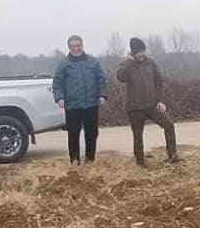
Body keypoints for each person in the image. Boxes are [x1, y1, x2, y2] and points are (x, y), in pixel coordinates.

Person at [115, 37, 180, 166]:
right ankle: (140, 162)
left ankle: (172, 156)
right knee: (138, 135)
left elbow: (159, 81)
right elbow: (121, 77)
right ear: (133, 53)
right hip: (134, 108)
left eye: (143, 51)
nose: (141, 54)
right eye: (138, 52)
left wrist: (160, 100)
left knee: (169, 125)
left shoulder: (151, 63)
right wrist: (129, 62)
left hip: (152, 105)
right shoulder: (126, 64)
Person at [51, 34, 106, 164]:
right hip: (72, 105)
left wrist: (102, 95)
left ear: (82, 45)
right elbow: (57, 83)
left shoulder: (93, 62)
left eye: (78, 45)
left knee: (92, 133)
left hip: (91, 104)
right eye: (73, 46)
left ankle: (90, 158)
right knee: (73, 134)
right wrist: (59, 98)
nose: (76, 48)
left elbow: (101, 80)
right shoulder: (63, 64)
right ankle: (74, 159)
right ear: (69, 47)